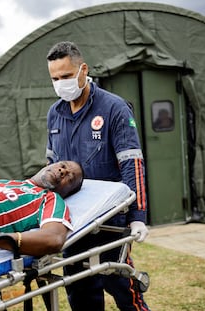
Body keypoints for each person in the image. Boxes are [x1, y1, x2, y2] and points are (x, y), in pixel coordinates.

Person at [46, 41, 150, 311]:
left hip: (110, 221)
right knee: (80, 293)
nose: (61, 83)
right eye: (55, 79)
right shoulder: (54, 115)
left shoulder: (113, 109)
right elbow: (50, 169)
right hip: (74, 223)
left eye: (66, 76)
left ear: (83, 70)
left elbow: (132, 163)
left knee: (123, 288)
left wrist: (137, 216)